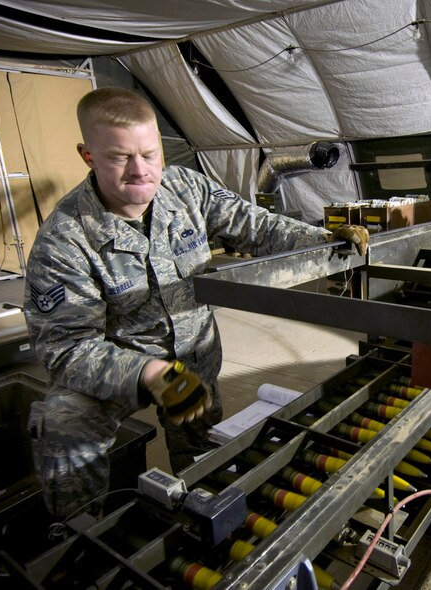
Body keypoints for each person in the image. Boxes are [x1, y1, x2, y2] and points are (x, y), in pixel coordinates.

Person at [24, 86, 368, 518]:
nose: (140, 171)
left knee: (204, 462)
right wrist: (149, 372)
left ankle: (200, 516)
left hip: (195, 355)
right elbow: (66, 348)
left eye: (150, 154)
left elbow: (253, 225)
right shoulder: (65, 238)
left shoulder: (185, 188)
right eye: (119, 157)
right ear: (87, 155)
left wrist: (323, 238)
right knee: (64, 423)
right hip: (120, 366)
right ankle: (79, 537)